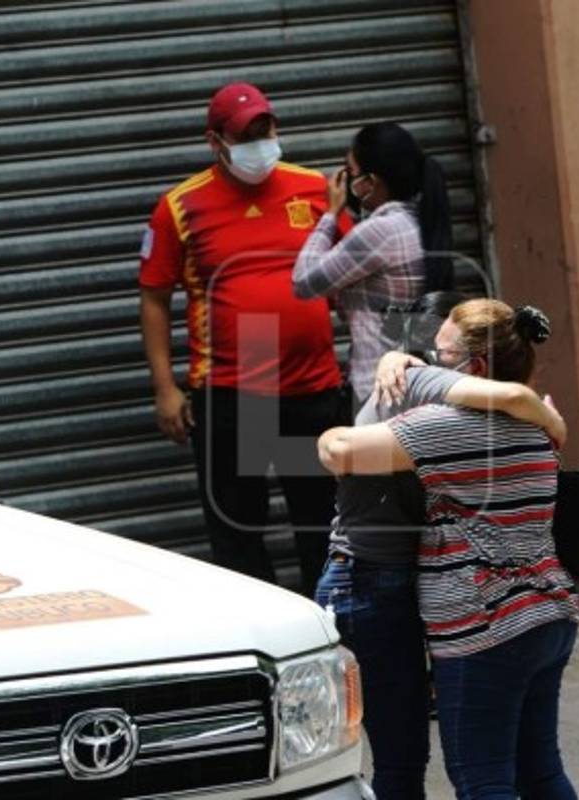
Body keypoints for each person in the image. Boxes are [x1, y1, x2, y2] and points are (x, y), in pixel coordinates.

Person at [319, 299, 579, 800]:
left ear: (475, 368)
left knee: (483, 780)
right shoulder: (539, 420)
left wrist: (334, 429)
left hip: (484, 626)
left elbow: (339, 453)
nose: (424, 364)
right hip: (548, 612)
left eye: (439, 357)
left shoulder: (445, 427)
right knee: (541, 773)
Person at [138, 82, 346, 597]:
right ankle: (264, 630)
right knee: (238, 527)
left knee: (321, 520)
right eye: (245, 136)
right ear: (216, 142)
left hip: (310, 390)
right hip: (235, 393)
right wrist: (165, 388)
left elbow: (354, 267)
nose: (259, 143)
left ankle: (331, 624)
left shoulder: (314, 189)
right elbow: (155, 298)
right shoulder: (180, 207)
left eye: (264, 130)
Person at [292, 121, 454, 408]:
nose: (346, 182)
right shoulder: (417, 223)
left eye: (351, 172)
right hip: (414, 386)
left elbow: (304, 282)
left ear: (371, 181)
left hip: (379, 392)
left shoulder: (381, 232)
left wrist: (331, 214)